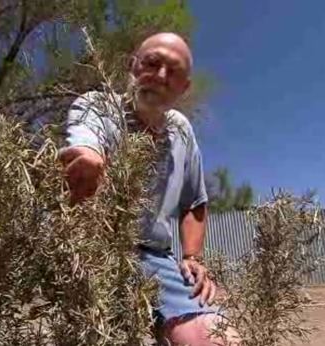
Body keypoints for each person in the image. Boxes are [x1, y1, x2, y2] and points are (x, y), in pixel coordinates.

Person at [60, 32, 234, 346]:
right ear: (133, 66)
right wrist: (89, 158)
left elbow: (194, 201)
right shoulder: (96, 105)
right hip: (90, 248)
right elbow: (85, 143)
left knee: (216, 338)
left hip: (154, 255)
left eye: (175, 71)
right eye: (152, 63)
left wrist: (194, 257)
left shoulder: (181, 130)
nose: (161, 76)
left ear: (185, 87)